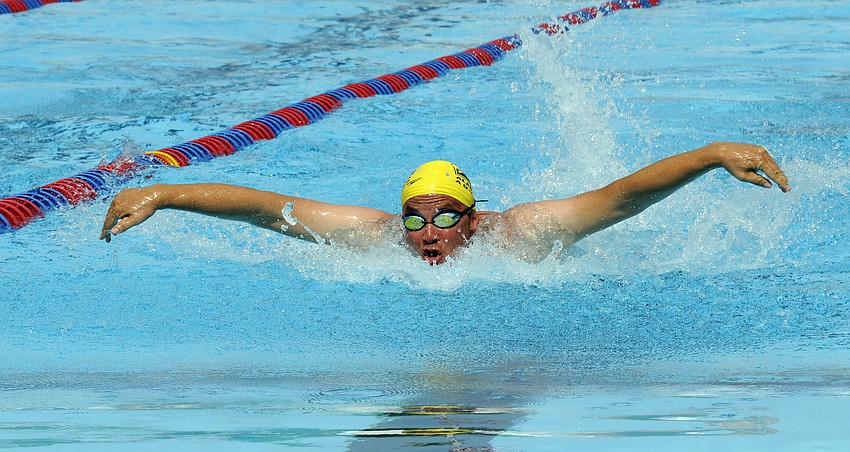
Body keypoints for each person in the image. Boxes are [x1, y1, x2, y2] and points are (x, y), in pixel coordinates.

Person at [100, 141, 790, 265]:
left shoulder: (522, 234)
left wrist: (708, 156)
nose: (426, 231)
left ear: (473, 216)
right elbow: (264, 207)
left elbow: (619, 198)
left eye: (443, 217)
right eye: (415, 215)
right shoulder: (376, 239)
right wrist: (164, 192)